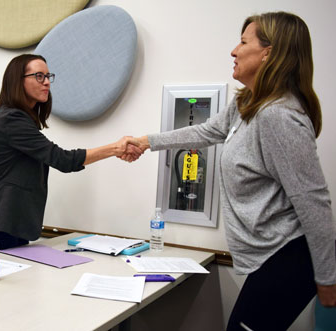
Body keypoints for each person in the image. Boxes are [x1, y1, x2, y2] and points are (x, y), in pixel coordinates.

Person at [127, 12, 336, 330]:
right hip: (268, 258)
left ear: (268, 53)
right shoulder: (248, 104)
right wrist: (146, 142)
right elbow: (206, 132)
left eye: (242, 41)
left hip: (289, 257)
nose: (233, 51)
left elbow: (314, 202)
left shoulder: (279, 117)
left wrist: (327, 277)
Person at [0, 54, 141, 250]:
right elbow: (62, 160)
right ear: (18, 81)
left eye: (48, 76)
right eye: (39, 76)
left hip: (13, 219)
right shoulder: (11, 119)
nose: (46, 83)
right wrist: (115, 148)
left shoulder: (21, 119)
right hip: (1, 217)